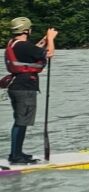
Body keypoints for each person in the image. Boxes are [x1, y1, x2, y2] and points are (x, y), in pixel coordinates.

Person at [5, 17, 57, 164]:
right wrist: (51, 39)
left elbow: (35, 49)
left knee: (21, 121)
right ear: (26, 30)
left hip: (17, 86)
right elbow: (49, 53)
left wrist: (45, 39)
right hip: (24, 87)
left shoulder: (15, 44)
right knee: (21, 121)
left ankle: (17, 152)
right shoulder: (23, 46)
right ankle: (15, 156)